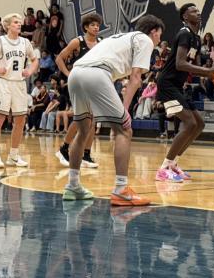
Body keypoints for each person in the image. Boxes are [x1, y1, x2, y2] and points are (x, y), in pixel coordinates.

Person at [62, 14, 164, 204]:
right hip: (97, 73)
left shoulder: (120, 37)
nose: (159, 40)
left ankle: (72, 185)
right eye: (159, 35)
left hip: (76, 74)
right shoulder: (145, 40)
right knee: (124, 129)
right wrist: (125, 108)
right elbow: (135, 77)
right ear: (153, 32)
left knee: (83, 130)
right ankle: (121, 189)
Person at [155, 3, 214, 182]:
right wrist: (207, 72)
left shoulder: (196, 37)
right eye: (193, 11)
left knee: (199, 124)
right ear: (185, 17)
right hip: (167, 84)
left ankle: (173, 163)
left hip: (178, 85)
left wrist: (210, 74)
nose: (198, 12)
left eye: (198, 10)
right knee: (189, 123)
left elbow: (189, 67)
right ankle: (164, 167)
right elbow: (180, 64)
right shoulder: (185, 33)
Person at [0, 13, 38, 169]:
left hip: (19, 84)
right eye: (16, 22)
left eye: (20, 22)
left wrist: (30, 71)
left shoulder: (25, 42)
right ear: (8, 25)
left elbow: (35, 60)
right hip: (4, 83)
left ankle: (14, 156)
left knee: (20, 121)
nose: (19, 24)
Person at [54, 13, 103, 168]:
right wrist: (68, 74)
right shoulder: (78, 42)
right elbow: (59, 58)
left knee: (92, 121)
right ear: (86, 27)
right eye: (93, 25)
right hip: (79, 83)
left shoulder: (101, 42)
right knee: (81, 118)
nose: (96, 27)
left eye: (97, 25)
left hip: (94, 83)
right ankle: (64, 149)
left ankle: (86, 155)